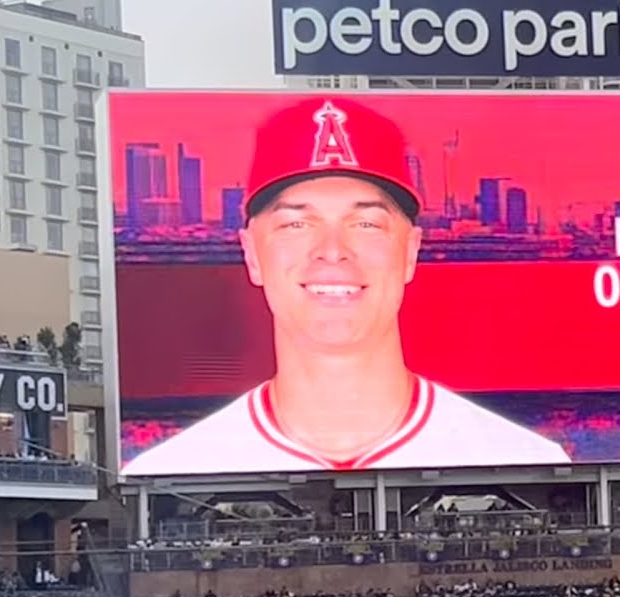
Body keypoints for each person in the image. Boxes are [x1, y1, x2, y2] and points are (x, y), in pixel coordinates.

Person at [122, 97, 570, 476]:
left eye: (365, 223)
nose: (332, 250)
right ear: (252, 254)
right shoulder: (168, 473)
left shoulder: (525, 460)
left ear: (411, 251)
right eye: (297, 223)